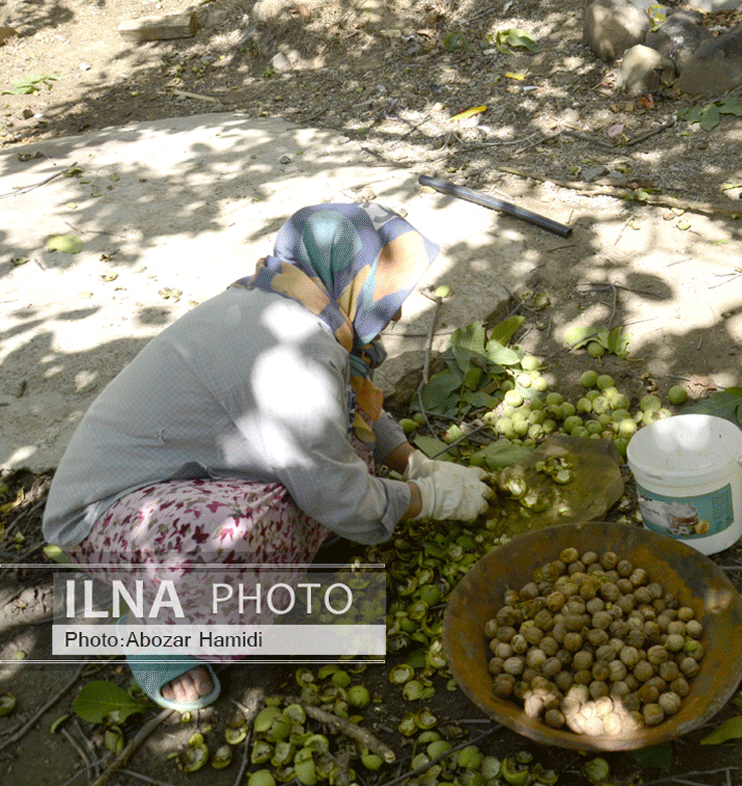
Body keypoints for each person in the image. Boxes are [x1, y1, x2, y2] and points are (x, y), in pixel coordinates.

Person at [42, 202, 493, 710]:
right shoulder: (295, 349)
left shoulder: (286, 305)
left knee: (327, 466)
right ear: (353, 281)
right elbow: (330, 484)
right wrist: (425, 499)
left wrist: (412, 461)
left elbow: (337, 410)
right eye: (388, 296)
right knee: (243, 526)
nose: (396, 313)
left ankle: (224, 583)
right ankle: (158, 626)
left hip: (169, 480)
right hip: (103, 520)